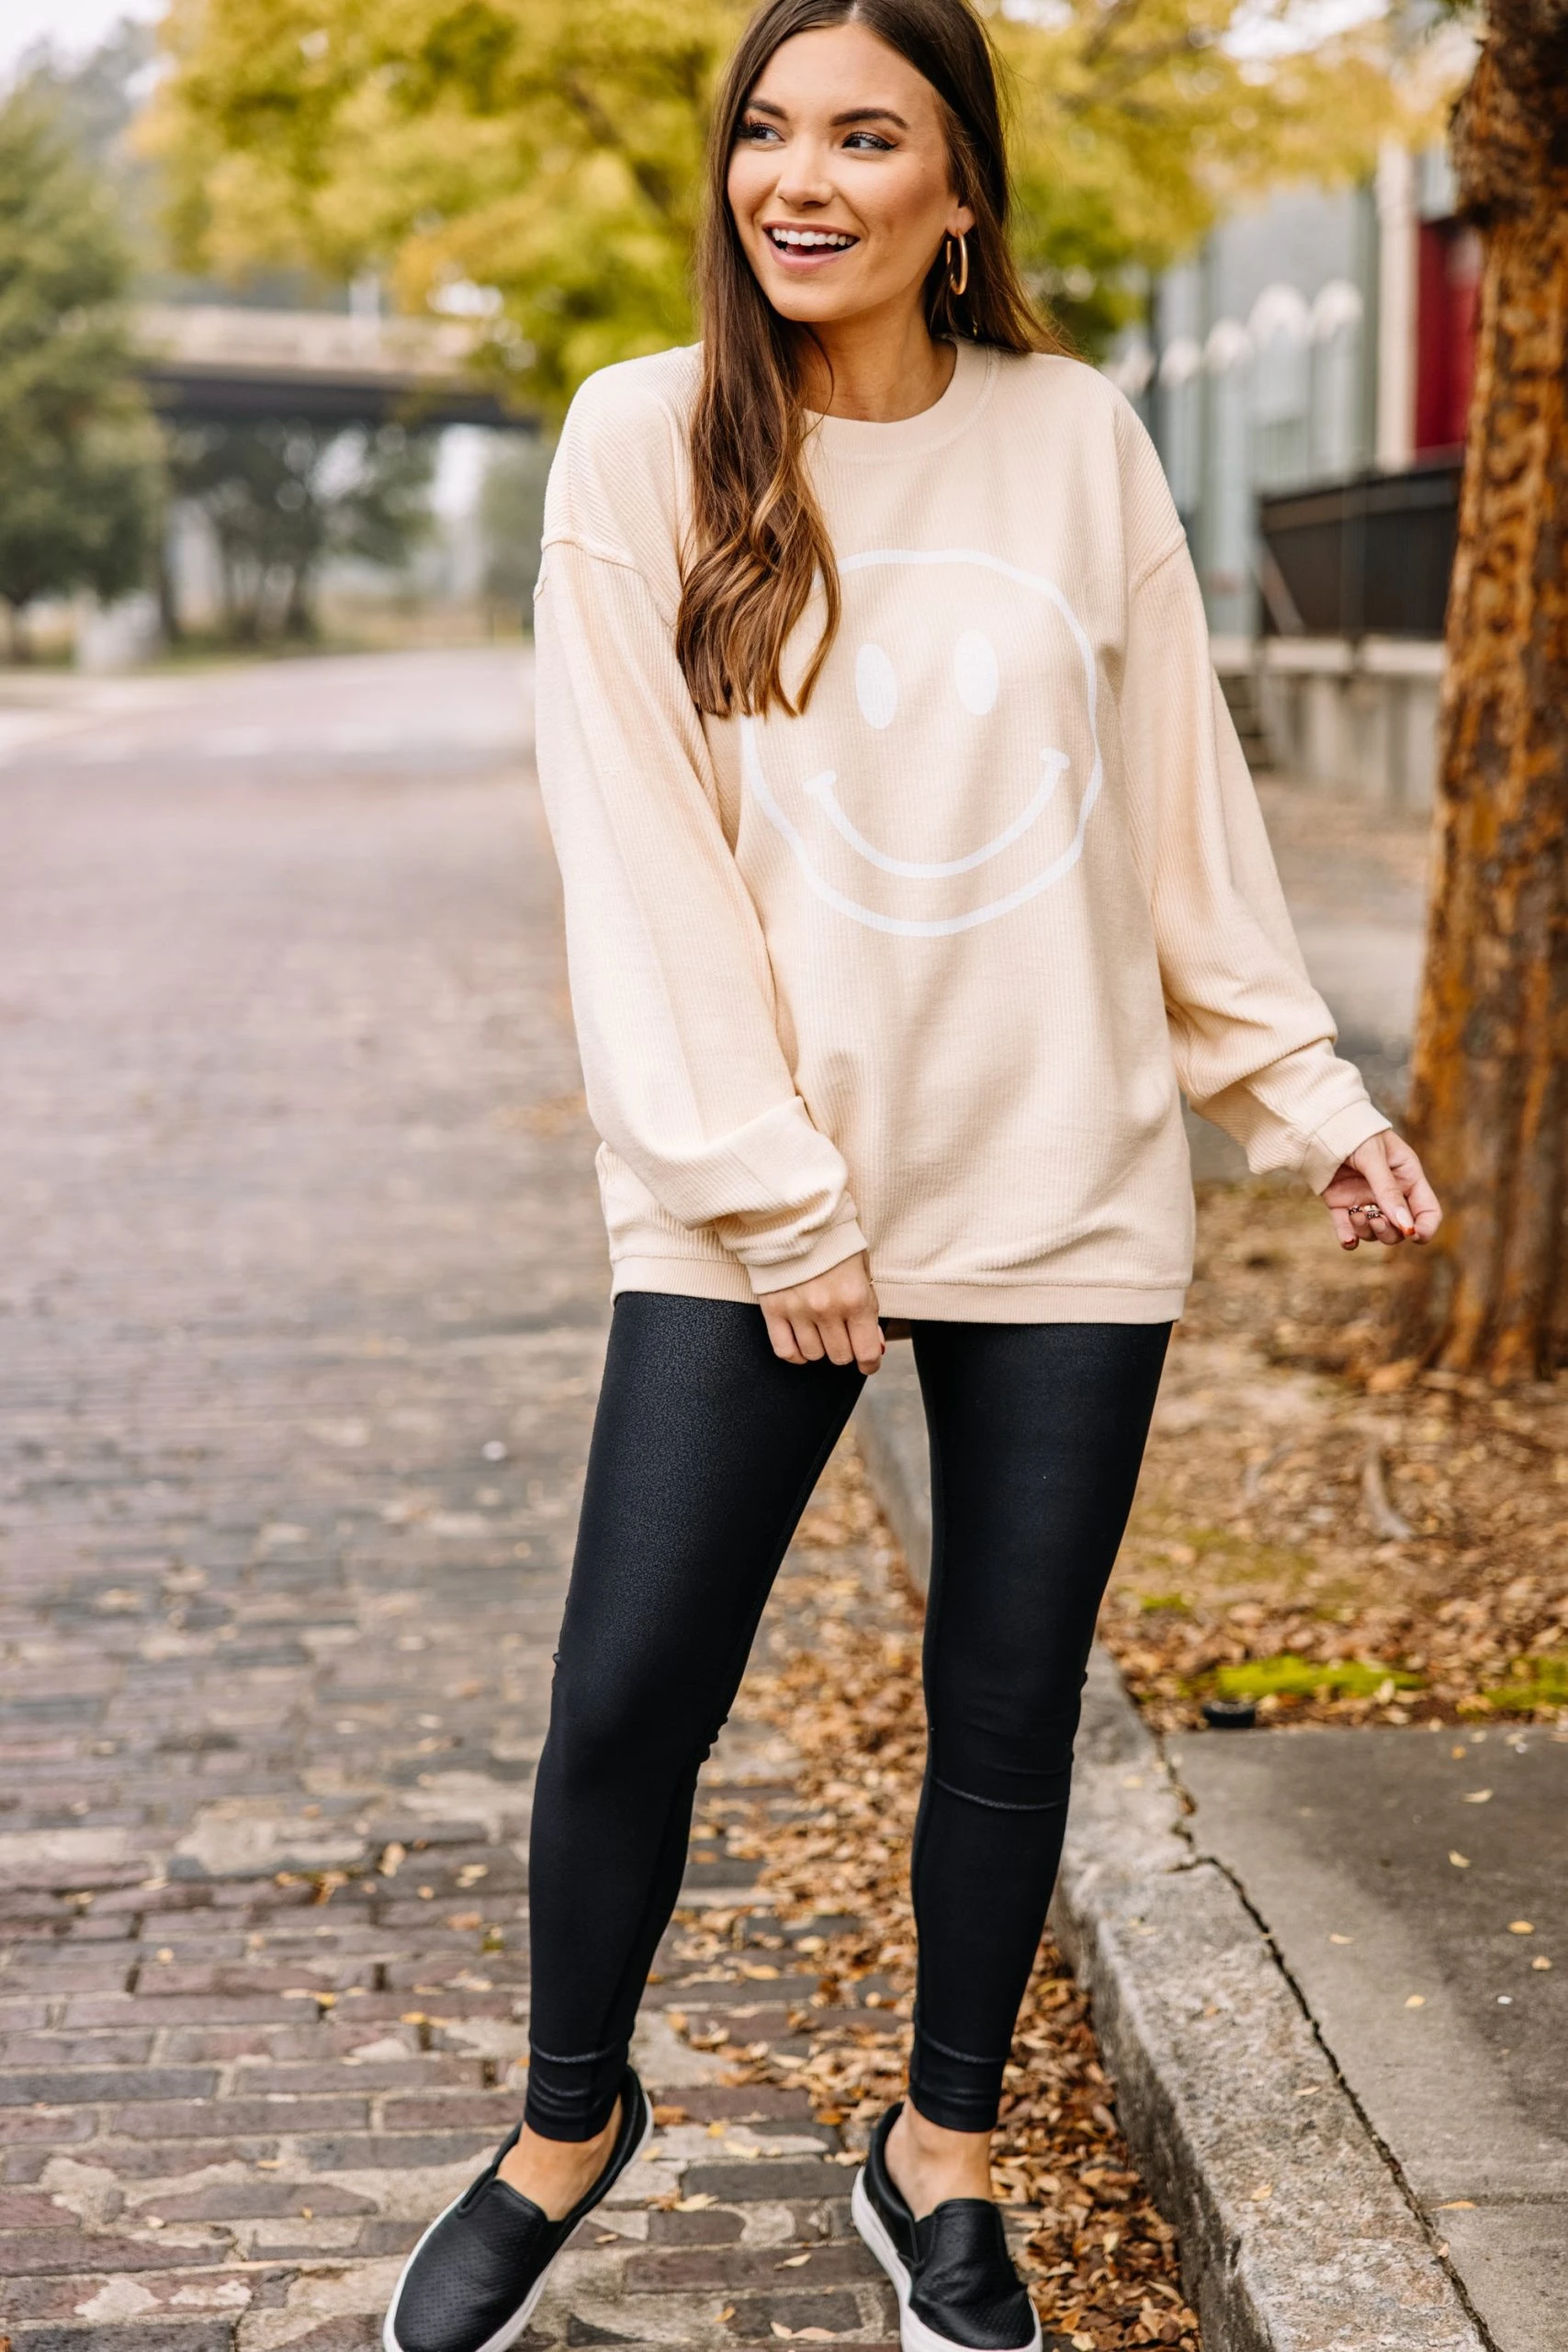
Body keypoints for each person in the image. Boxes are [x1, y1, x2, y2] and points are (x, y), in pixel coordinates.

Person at [383, 3, 1441, 2347]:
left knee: (1007, 1702)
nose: (802, 177)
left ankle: (938, 2156)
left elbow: (1177, 811)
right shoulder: (641, 435)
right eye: (767, 130)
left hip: (1061, 1175)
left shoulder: (1076, 438)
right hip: (750, 1195)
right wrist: (773, 1197)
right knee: (627, 1691)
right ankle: (564, 2123)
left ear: (959, 193)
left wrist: (1306, 1095)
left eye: (867, 136)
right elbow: (634, 856)